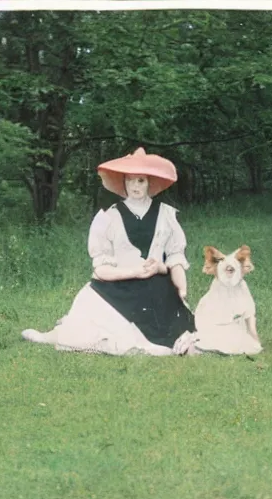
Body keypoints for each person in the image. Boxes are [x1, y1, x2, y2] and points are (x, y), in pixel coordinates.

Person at [21, 147, 197, 356]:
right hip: (119, 286)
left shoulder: (166, 215)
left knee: (178, 336)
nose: (135, 186)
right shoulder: (108, 217)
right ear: (123, 182)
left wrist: (180, 288)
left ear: (150, 182)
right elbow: (101, 269)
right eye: (130, 180)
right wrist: (134, 272)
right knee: (89, 324)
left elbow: (175, 257)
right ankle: (53, 335)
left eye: (140, 180)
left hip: (157, 288)